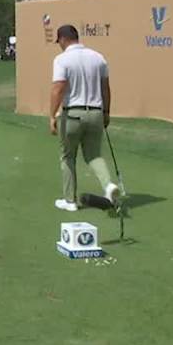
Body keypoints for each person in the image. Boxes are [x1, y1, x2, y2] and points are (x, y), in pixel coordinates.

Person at [47, 24, 119, 211]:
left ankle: (70, 201)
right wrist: (106, 112)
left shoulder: (62, 59)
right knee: (94, 155)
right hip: (95, 113)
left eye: (59, 41)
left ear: (63, 39)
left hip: (72, 114)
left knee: (68, 156)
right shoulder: (98, 58)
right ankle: (108, 186)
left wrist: (52, 115)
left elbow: (58, 88)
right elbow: (105, 89)